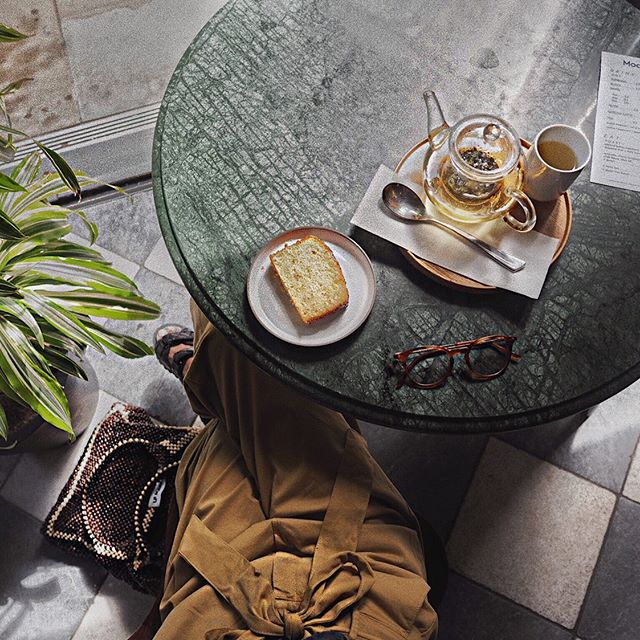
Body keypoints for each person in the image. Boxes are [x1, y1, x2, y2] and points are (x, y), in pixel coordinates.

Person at [135, 300, 439, 639]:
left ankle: (205, 380)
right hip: (359, 592)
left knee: (224, 412)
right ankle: (205, 378)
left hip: (217, 613)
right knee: (244, 341)